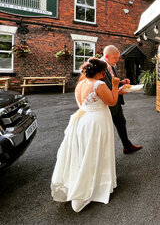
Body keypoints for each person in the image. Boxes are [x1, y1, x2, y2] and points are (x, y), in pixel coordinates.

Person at [51, 58, 119, 212]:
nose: (105, 74)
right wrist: (114, 85)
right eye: (104, 71)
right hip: (97, 123)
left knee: (86, 154)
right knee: (96, 153)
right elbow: (112, 101)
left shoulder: (80, 84)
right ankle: (96, 187)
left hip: (83, 122)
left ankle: (87, 182)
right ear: (100, 72)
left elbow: (84, 104)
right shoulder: (99, 84)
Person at [102, 45, 142, 154]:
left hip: (116, 102)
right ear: (106, 56)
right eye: (115, 58)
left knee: (121, 122)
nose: (117, 60)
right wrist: (117, 92)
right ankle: (104, 155)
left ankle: (127, 146)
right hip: (106, 104)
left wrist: (122, 82)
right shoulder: (100, 67)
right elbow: (102, 87)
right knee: (106, 129)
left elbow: (111, 82)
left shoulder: (111, 65)